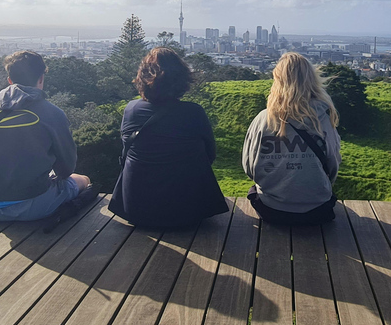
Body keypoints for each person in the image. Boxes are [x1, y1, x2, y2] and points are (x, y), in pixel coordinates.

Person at [108, 47, 228, 227]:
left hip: (138, 208)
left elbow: (126, 150)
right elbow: (210, 155)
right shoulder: (193, 113)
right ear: (181, 79)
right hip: (189, 210)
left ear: (142, 78)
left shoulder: (131, 110)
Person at [0, 51, 91, 221]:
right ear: (41, 78)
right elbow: (66, 169)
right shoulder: (52, 114)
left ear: (10, 80)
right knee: (82, 180)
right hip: (36, 204)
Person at [242, 52, 342, 225]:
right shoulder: (324, 118)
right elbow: (333, 163)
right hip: (317, 210)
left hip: (271, 210)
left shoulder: (263, 119)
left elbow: (249, 166)